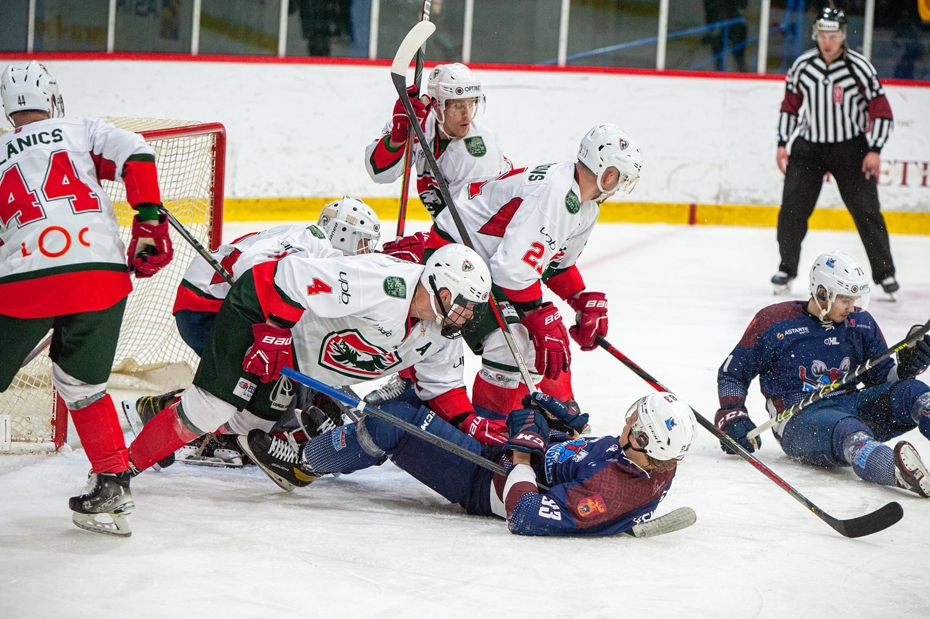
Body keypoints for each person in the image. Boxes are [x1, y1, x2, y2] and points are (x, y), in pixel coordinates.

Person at [126, 244, 508, 489]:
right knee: (212, 407)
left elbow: (442, 387)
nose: (470, 314)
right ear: (442, 289)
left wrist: (472, 424)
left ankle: (163, 412)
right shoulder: (382, 284)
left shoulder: (441, 333)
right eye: (467, 302)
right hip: (263, 317)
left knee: (249, 429)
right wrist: (274, 332)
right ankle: (118, 470)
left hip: (296, 361)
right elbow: (286, 276)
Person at [0, 62, 174, 537]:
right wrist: (149, 217)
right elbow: (136, 151)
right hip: (101, 274)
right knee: (82, 386)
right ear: (53, 98)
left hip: (25, 279)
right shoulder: (80, 129)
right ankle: (112, 483)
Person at [129, 197, 381, 467]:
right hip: (208, 309)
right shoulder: (312, 243)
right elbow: (248, 264)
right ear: (343, 233)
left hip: (207, 304)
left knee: (272, 375)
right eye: (363, 242)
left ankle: (178, 416)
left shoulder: (308, 240)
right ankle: (170, 417)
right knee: (255, 387)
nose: (365, 251)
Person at [243, 390, 696, 536]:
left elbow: (525, 515)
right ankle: (341, 438)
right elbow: (583, 463)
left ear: (643, 440)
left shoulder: (612, 491)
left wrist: (524, 450)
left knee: (393, 421)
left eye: (636, 421)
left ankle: (300, 465)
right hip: (507, 458)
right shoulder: (651, 459)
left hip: (487, 481)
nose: (629, 418)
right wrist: (566, 429)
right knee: (414, 394)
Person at [423, 123, 642, 415]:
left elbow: (552, 265)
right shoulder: (555, 193)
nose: (620, 187)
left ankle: (549, 409)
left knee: (541, 334)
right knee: (510, 340)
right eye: (622, 178)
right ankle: (494, 427)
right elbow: (511, 273)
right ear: (609, 174)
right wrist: (539, 316)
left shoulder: (586, 206)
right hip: (455, 258)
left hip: (487, 265)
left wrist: (579, 299)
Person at [716, 250, 930, 497]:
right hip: (798, 420)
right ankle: (896, 472)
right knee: (849, 431)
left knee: (915, 393)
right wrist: (733, 415)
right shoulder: (775, 323)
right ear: (821, 292)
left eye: (855, 299)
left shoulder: (861, 323)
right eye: (844, 300)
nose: (852, 307)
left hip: (852, 406)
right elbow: (732, 373)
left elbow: (881, 377)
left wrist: (907, 368)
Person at [772, 7, 898, 296]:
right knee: (791, 210)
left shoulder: (860, 68)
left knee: (867, 210)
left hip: (850, 148)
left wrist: (875, 149)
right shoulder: (803, 66)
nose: (828, 41)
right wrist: (782, 142)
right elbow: (789, 107)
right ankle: (786, 267)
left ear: (843, 36)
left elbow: (882, 111)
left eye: (834, 35)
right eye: (823, 35)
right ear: (816, 35)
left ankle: (885, 273)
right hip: (808, 148)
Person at [364, 62, 512, 220]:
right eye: (458, 105)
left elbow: (475, 227)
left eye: (471, 104)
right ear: (436, 106)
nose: (467, 115)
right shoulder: (418, 122)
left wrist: (424, 242)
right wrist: (397, 141)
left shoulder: (478, 153)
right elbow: (378, 174)